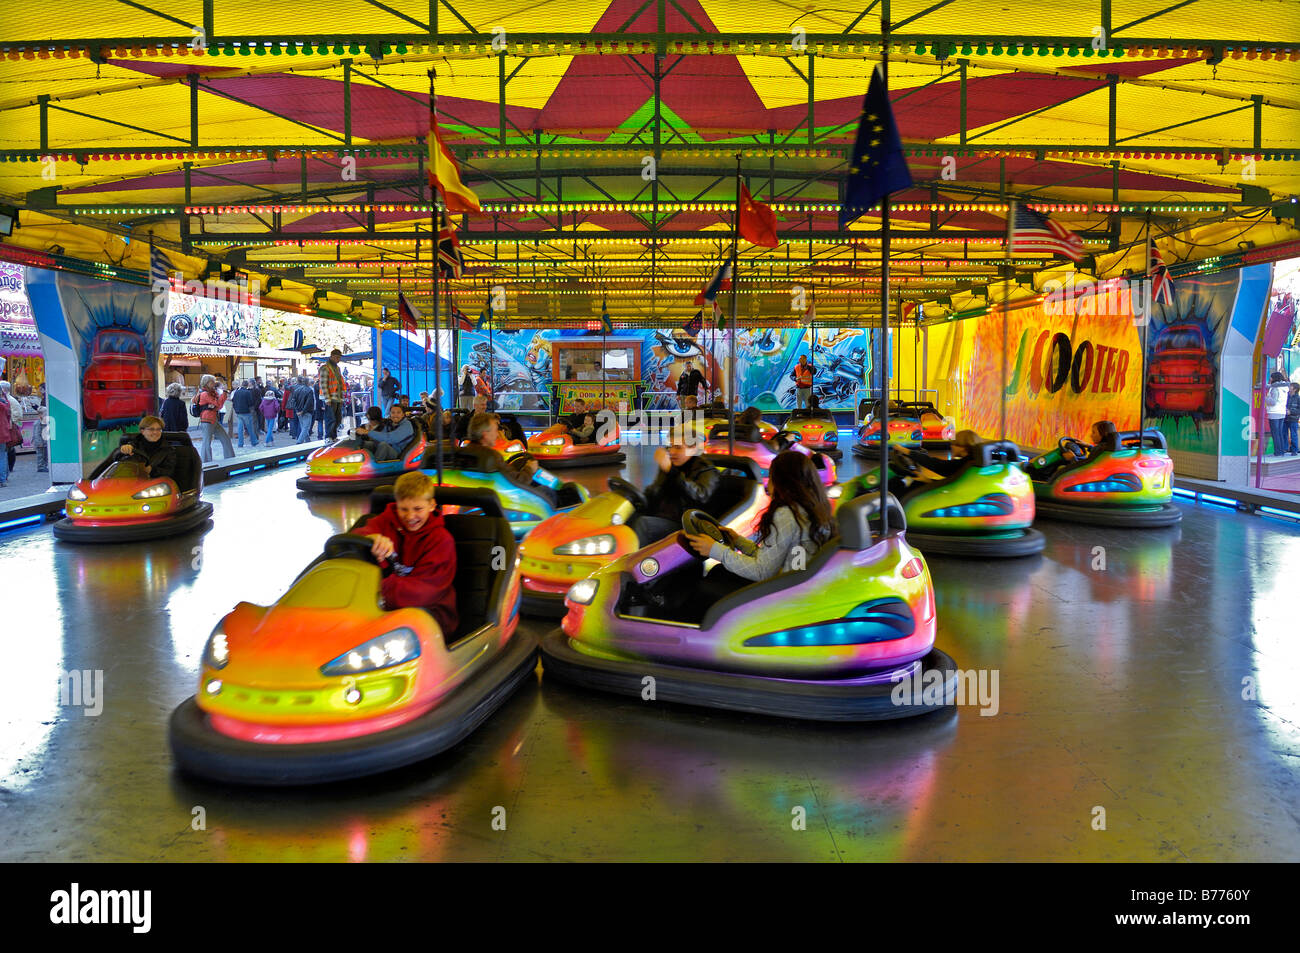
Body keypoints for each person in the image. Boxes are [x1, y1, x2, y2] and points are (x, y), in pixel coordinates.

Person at [686, 450, 835, 600]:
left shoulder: (787, 514)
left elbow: (762, 571)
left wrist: (714, 549)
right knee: (719, 572)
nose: (768, 483)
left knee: (704, 587)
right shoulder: (811, 509)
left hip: (783, 594)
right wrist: (739, 542)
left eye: (771, 477)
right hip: (796, 585)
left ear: (782, 482)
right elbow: (772, 558)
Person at [362, 471, 459, 636]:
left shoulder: (442, 541)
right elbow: (360, 535)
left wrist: (377, 589)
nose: (410, 516)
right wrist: (371, 538)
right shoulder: (386, 522)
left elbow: (424, 592)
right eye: (404, 509)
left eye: (418, 509)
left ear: (432, 505)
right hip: (388, 605)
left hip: (432, 614)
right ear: (396, 504)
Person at [636, 427, 723, 540]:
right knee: (629, 515)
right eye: (670, 447)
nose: (672, 452)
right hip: (663, 516)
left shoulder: (706, 470)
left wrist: (671, 471)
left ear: (693, 449)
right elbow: (656, 491)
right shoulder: (672, 466)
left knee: (644, 525)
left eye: (678, 448)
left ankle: (632, 557)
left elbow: (701, 497)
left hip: (687, 524)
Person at [468, 411, 560, 507]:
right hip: (507, 500)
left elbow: (505, 473)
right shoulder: (491, 457)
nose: (498, 434)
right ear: (485, 434)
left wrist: (514, 466)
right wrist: (529, 468)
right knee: (548, 492)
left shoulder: (468, 452)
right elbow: (519, 482)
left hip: (488, 496)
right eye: (495, 430)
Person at [111, 415, 177, 480]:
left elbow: (170, 472)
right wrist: (122, 450)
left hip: (155, 485)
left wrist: (151, 470)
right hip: (131, 482)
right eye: (151, 429)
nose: (155, 432)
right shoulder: (133, 445)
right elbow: (114, 461)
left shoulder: (168, 450)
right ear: (142, 431)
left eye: (158, 429)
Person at [196, 374, 234, 463]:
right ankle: (206, 462)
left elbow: (218, 405)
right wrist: (224, 394)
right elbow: (217, 404)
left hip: (213, 419)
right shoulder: (205, 394)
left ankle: (231, 459)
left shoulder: (212, 393)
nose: (214, 383)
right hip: (207, 420)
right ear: (207, 383)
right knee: (207, 442)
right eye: (212, 381)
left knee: (225, 438)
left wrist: (221, 397)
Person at [318, 348, 347, 440]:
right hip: (330, 397)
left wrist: (342, 398)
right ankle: (329, 436)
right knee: (331, 419)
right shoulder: (325, 368)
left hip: (337, 397)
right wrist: (327, 398)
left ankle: (333, 436)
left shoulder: (337, 368)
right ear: (332, 357)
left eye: (339, 357)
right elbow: (323, 384)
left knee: (338, 419)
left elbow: (339, 383)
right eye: (337, 357)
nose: (338, 359)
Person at [1265, 371, 1290, 457]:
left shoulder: (1275, 388)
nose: (1270, 378)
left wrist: (1266, 397)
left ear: (1274, 378)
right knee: (1279, 433)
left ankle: (1278, 452)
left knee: (1275, 433)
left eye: (1271, 377)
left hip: (1274, 412)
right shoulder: (1284, 387)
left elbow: (1273, 402)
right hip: (1282, 412)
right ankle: (1281, 451)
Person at [230, 380, 259, 449]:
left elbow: (233, 401)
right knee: (250, 428)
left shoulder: (236, 392)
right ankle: (254, 441)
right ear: (247, 385)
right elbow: (250, 402)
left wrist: (236, 409)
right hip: (246, 412)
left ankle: (240, 443)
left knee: (240, 429)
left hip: (238, 412)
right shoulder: (247, 392)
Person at [0, 381, 21, 473]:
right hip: (6, 429)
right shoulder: (6, 400)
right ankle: (6, 473)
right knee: (5, 453)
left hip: (8, 429)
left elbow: (18, 414)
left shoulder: (9, 400)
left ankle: (8, 470)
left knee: (8, 451)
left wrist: (10, 421)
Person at [292, 375, 316, 443]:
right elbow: (308, 403)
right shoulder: (309, 390)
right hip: (306, 412)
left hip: (300, 411)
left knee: (304, 427)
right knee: (305, 427)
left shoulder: (297, 390)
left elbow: (293, 401)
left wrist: (297, 410)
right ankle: (299, 441)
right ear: (308, 383)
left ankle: (307, 440)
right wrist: (302, 411)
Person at [0, 389, 15, 487]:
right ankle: (3, 479)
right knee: (2, 456)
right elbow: (9, 417)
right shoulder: (5, 403)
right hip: (3, 433)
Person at [32, 406, 49, 473]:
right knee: (40, 455)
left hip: (44, 442)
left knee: (45, 455)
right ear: (40, 415)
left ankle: (44, 465)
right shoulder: (38, 423)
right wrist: (39, 442)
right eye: (45, 414)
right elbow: (36, 434)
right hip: (40, 443)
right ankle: (40, 467)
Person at [1286, 382, 1300, 455]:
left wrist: (1290, 412)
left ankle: (1294, 450)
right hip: (1285, 419)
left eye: (1291, 386)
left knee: (1293, 435)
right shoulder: (1286, 396)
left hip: (1293, 419)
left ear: (1295, 389)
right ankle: (1285, 449)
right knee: (1284, 434)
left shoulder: (1298, 398)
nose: (1289, 387)